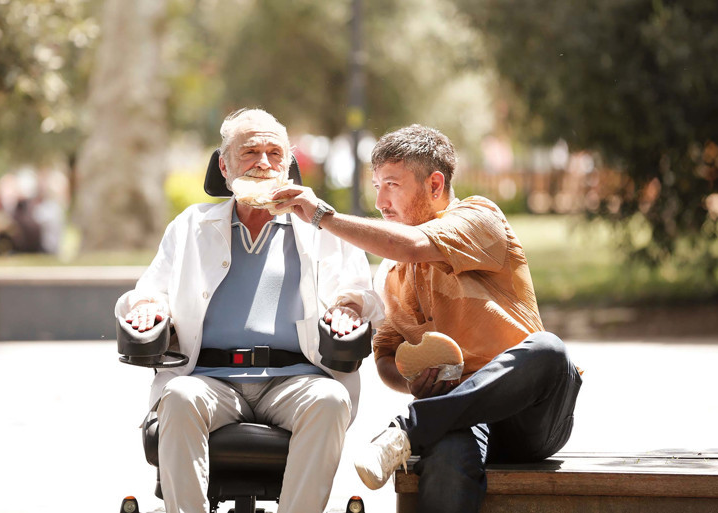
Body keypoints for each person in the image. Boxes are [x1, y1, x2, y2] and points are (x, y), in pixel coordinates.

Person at [273, 124, 582, 513]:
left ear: (435, 185)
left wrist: (323, 216)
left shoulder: (479, 217)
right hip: (454, 415)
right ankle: (421, 425)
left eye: (392, 185)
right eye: (376, 186)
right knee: (448, 457)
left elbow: (414, 246)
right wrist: (410, 381)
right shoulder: (389, 274)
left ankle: (409, 428)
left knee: (549, 351)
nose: (381, 201)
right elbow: (385, 358)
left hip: (531, 416)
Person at [114, 108, 384, 513]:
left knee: (330, 400)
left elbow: (361, 293)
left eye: (275, 153)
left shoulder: (322, 227)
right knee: (178, 396)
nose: (263, 163)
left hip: (296, 378)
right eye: (250, 152)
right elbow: (150, 291)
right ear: (224, 166)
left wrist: (350, 307)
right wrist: (150, 306)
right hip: (209, 378)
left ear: (288, 166)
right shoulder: (191, 225)